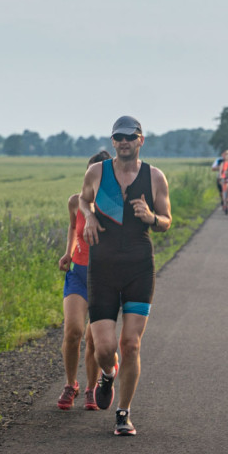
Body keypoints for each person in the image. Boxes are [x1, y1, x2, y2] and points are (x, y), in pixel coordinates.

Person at [79, 116, 172, 436]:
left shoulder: (155, 177)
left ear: (141, 140)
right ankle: (108, 376)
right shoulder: (97, 172)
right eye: (118, 137)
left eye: (129, 137)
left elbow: (166, 221)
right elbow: (82, 198)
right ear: (113, 141)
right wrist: (89, 216)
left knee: (130, 344)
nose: (123, 142)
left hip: (139, 268)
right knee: (104, 348)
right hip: (102, 270)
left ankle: (124, 412)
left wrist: (151, 216)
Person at [56, 150, 110, 410]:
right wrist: (68, 251)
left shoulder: (113, 206)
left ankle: (91, 387)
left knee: (95, 340)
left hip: (104, 277)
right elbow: (71, 226)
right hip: (78, 272)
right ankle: (70, 384)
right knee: (73, 330)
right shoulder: (75, 202)